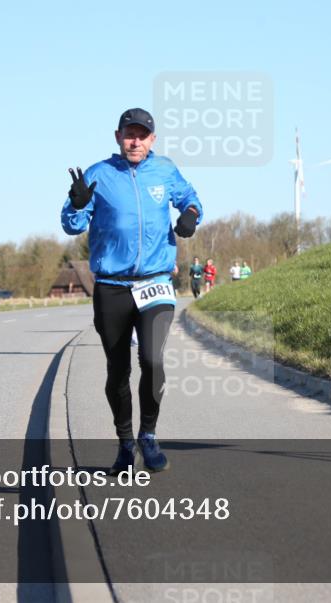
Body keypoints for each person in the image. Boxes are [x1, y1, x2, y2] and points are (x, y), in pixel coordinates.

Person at [62, 107, 202, 474]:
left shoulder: (165, 170)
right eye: (129, 134)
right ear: (118, 137)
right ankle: (125, 444)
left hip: (155, 283)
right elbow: (71, 224)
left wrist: (189, 214)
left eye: (142, 135)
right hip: (112, 287)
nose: (135, 141)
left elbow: (191, 198)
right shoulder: (99, 174)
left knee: (152, 360)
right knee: (118, 369)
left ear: (152, 139)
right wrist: (76, 205)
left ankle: (149, 437)